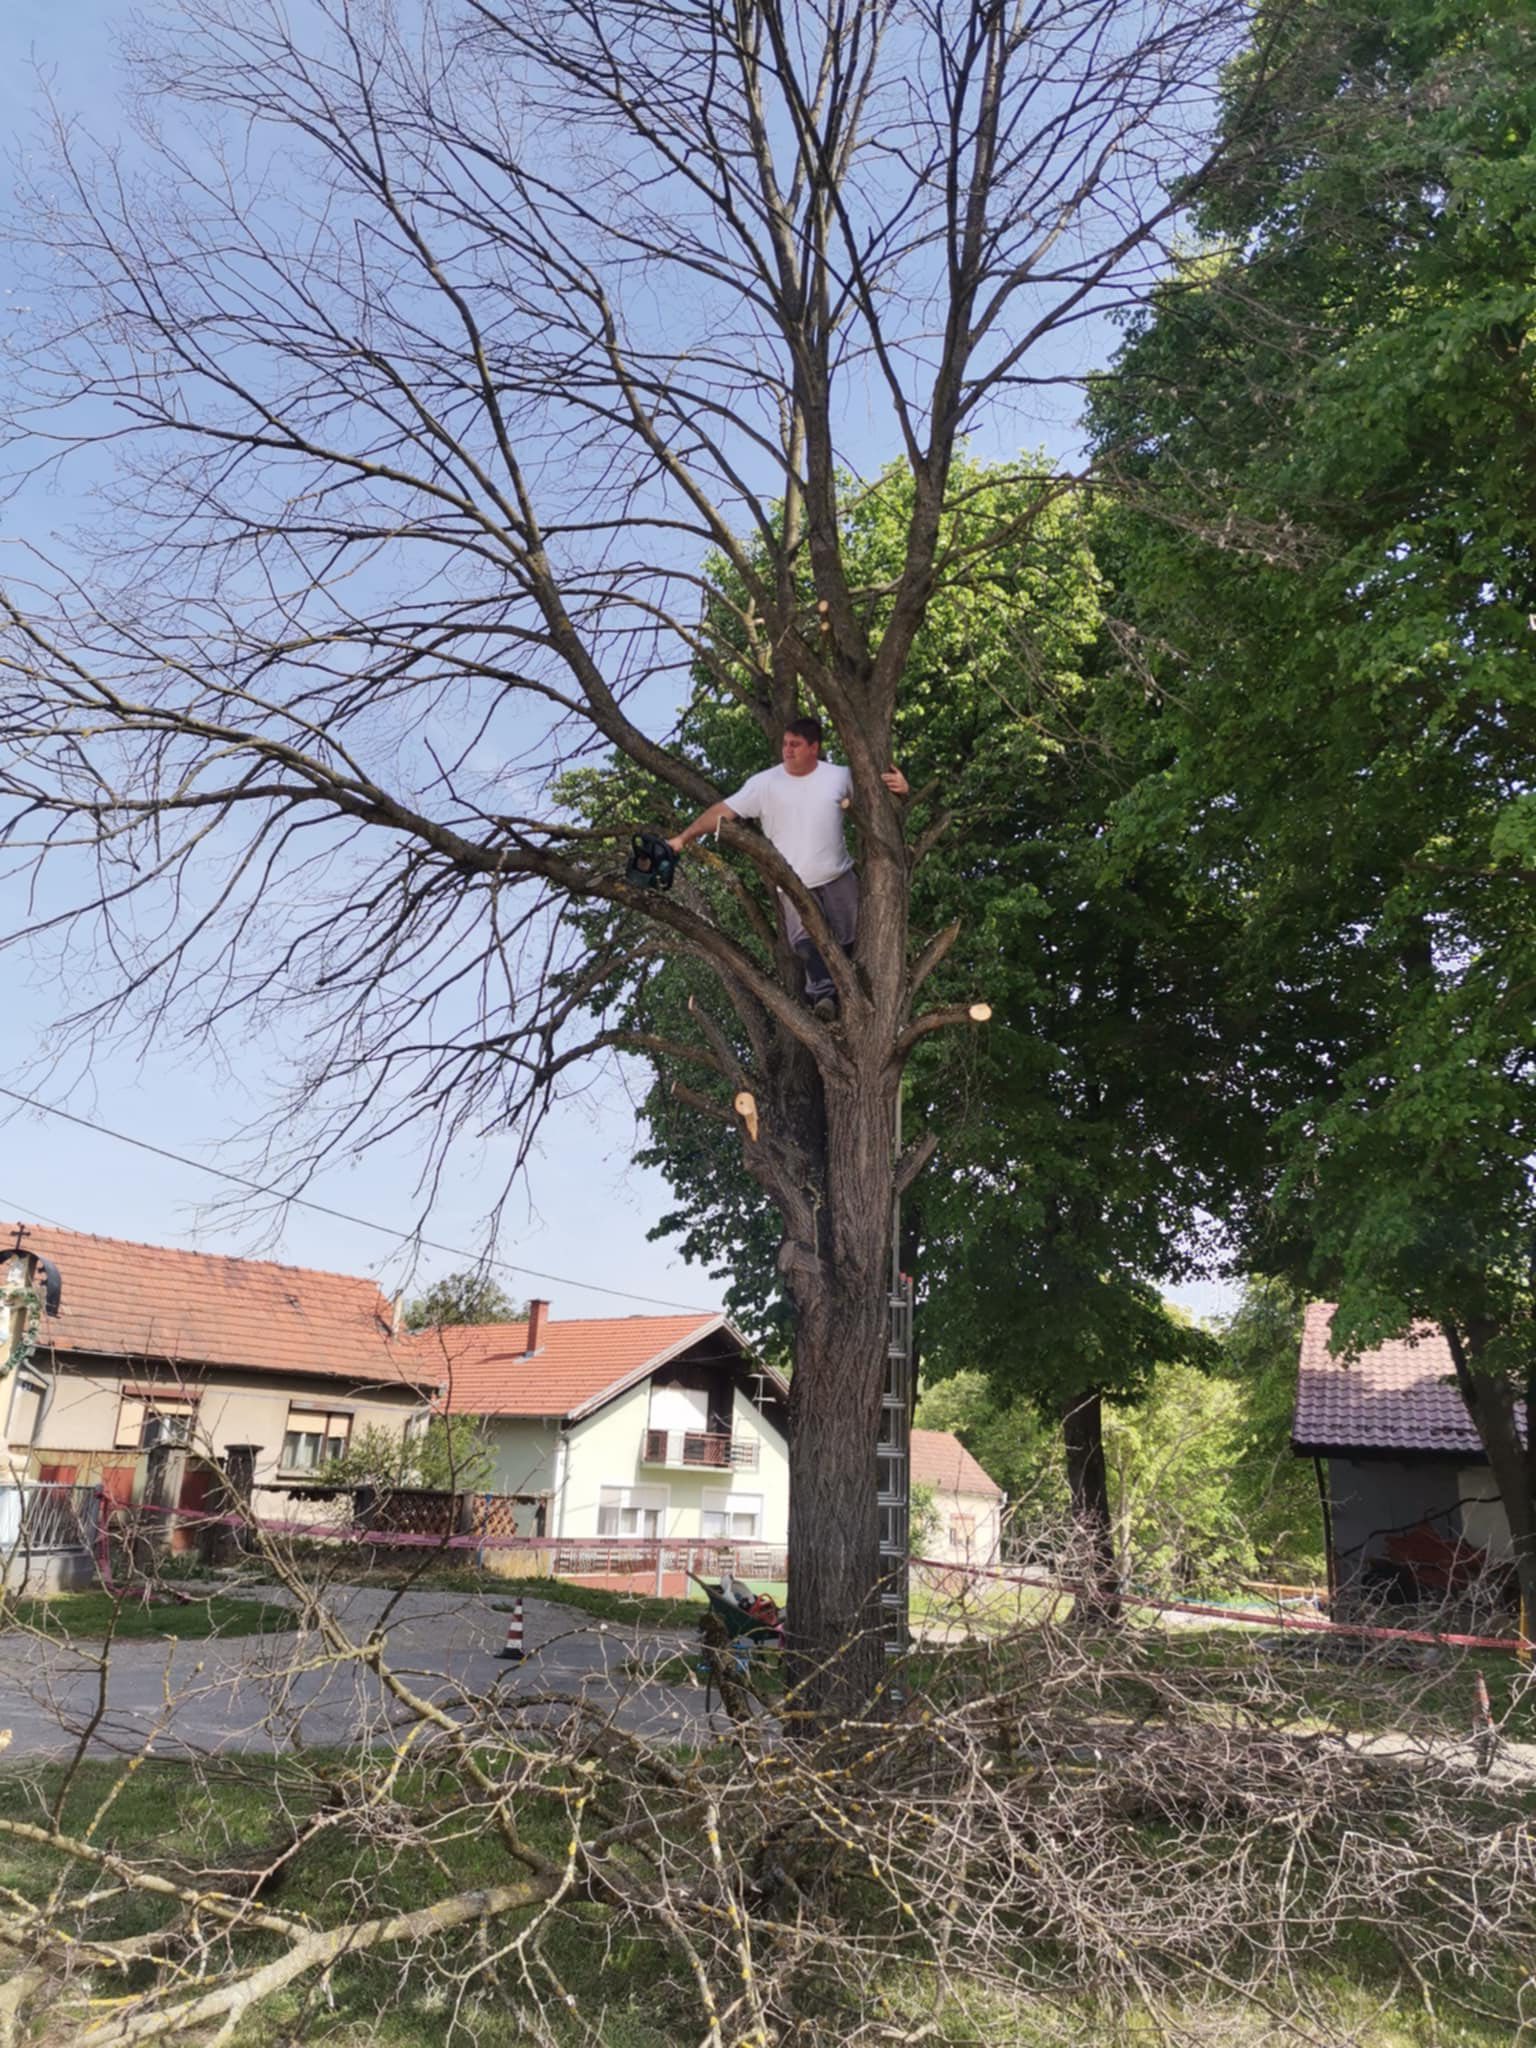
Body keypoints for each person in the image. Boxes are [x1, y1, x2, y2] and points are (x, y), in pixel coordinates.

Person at [667, 716, 908, 1019]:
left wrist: (902, 788)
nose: (787, 750)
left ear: (814, 748)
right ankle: (824, 1000)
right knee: (807, 945)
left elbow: (880, 796)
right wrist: (682, 838)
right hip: (794, 883)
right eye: (785, 744)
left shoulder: (840, 776)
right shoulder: (764, 784)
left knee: (852, 940)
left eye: (795, 744)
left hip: (837, 875)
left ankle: (857, 1001)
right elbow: (721, 811)